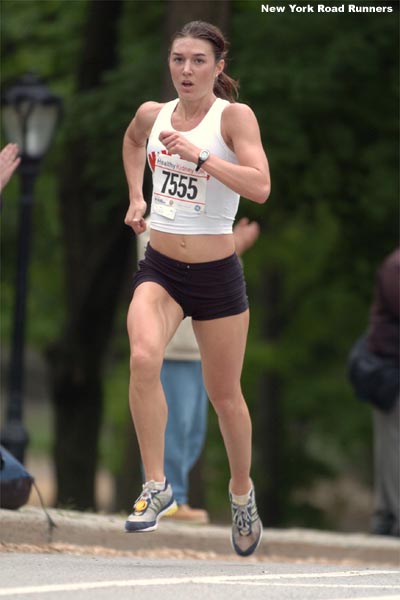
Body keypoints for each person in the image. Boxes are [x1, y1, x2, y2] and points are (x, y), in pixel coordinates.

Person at [122, 20, 270, 557]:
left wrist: (202, 157)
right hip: (160, 267)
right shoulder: (151, 113)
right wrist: (136, 197)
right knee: (142, 358)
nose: (186, 69)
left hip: (216, 276)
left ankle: (240, 493)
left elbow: (261, 186)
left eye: (198, 61)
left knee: (225, 397)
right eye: (178, 59)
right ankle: (157, 486)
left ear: (218, 67)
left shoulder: (233, 118)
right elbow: (133, 139)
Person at [137, 218, 261, 524]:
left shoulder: (211, 220)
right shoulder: (159, 220)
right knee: (175, 425)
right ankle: (171, 495)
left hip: (197, 346)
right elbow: (171, 266)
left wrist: (232, 246)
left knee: (193, 430)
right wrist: (234, 244)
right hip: (175, 347)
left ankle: (179, 495)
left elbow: (214, 275)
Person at [367, 248, 399, 537]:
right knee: (393, 443)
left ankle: (388, 514)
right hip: (390, 370)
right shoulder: (396, 266)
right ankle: (390, 516)